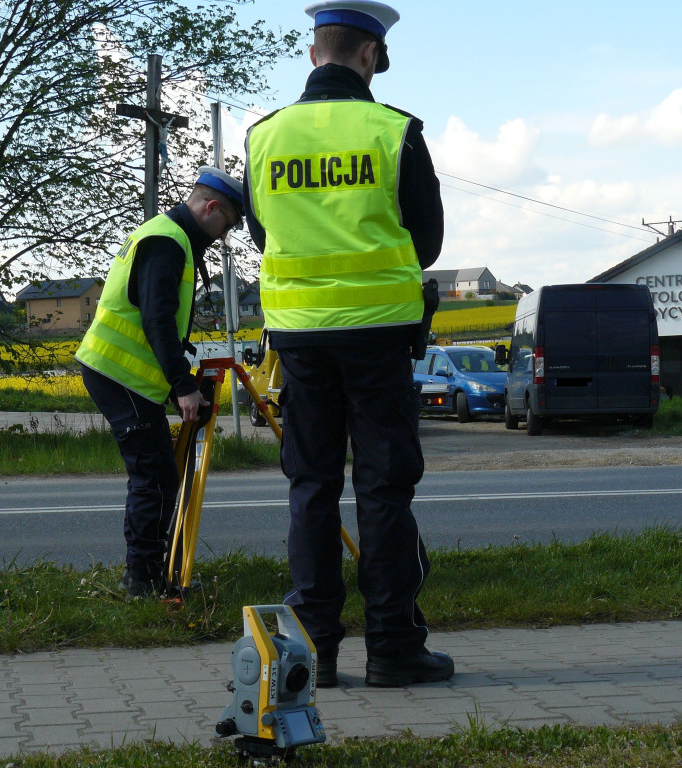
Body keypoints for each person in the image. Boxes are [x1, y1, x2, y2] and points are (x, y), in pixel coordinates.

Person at [243, 1, 451, 687]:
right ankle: (392, 649)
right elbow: (428, 242)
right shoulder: (395, 132)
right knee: (384, 488)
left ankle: (313, 655)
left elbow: (262, 236)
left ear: (313, 53)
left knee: (311, 488)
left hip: (299, 339)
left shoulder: (264, 137)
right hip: (380, 337)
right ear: (370, 55)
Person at [76, 167, 244, 598]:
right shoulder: (168, 242)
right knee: (153, 475)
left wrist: (176, 384)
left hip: (125, 374)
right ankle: (143, 581)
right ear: (211, 208)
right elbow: (156, 319)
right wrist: (182, 385)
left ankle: (152, 572)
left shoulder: (170, 236)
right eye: (226, 224)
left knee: (157, 474)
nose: (223, 235)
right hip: (118, 372)